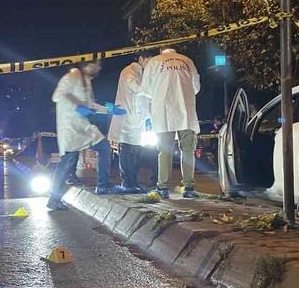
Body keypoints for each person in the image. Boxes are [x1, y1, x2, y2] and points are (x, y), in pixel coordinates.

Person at [47, 61, 126, 210]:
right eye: (96, 64)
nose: (99, 68)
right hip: (70, 127)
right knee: (66, 162)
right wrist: (77, 106)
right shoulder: (73, 75)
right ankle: (54, 198)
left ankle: (103, 185)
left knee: (104, 147)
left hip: (83, 127)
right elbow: (57, 95)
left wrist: (112, 109)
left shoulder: (87, 82)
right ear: (87, 65)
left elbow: (91, 106)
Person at [140, 47, 201, 199]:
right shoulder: (187, 61)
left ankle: (162, 188)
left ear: (162, 50)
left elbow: (146, 89)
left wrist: (161, 91)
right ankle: (189, 187)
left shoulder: (154, 62)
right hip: (185, 111)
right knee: (188, 150)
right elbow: (196, 87)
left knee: (165, 151)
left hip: (163, 112)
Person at [107, 52, 156, 193]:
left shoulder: (141, 72)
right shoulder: (129, 71)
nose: (151, 64)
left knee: (135, 152)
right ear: (141, 58)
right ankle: (128, 183)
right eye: (149, 60)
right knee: (128, 152)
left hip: (137, 122)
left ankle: (132, 182)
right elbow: (137, 89)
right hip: (128, 121)